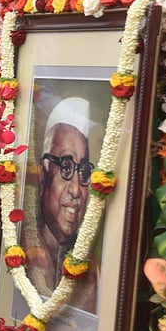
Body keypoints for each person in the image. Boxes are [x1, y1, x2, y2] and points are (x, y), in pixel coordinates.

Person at [22, 97, 99, 313]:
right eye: (65, 168)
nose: (76, 190)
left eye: (83, 172)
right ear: (42, 174)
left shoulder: (95, 278)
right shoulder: (20, 251)